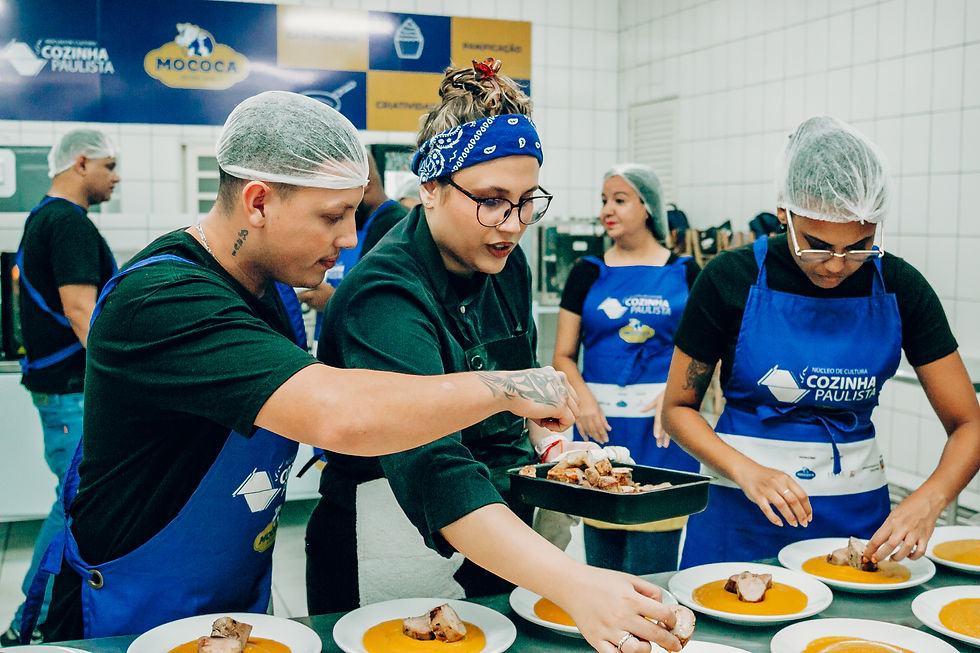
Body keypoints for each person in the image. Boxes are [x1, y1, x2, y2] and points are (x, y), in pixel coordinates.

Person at [27, 90, 577, 645]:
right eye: (333, 216)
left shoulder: (276, 294)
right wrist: (510, 387)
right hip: (129, 601)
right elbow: (344, 414)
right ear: (259, 202)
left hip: (233, 599)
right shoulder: (162, 300)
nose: (349, 239)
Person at [311, 60, 683, 653]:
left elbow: (522, 392)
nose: (512, 225)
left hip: (500, 535)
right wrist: (576, 585)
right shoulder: (384, 295)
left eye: (526, 201)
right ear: (429, 188)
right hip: (393, 538)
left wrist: (553, 445)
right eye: (490, 201)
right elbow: (433, 462)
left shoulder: (504, 264)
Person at [662, 116, 980, 568]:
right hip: (741, 517)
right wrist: (745, 470)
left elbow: (969, 424)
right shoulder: (729, 279)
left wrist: (930, 499)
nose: (835, 265)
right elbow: (677, 409)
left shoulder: (900, 286)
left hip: (858, 528)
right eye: (816, 244)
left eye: (859, 245)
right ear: (784, 213)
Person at [552, 164, 700, 575]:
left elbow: (709, 352)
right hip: (601, 430)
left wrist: (676, 398)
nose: (606, 211)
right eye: (603, 201)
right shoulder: (587, 272)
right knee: (602, 561)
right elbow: (562, 354)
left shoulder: (685, 272)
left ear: (648, 207)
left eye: (619, 200)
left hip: (663, 431)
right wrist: (582, 405)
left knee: (653, 566)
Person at [3, 129, 119, 647]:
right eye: (109, 166)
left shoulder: (39, 217)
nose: (116, 178)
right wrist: (124, 376)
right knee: (73, 503)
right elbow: (80, 310)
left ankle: (33, 617)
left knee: (70, 500)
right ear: (81, 162)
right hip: (74, 389)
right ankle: (33, 623)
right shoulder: (69, 223)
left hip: (57, 387)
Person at [296, 151, 408, 337]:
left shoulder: (398, 229)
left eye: (338, 211)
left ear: (365, 184)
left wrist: (334, 300)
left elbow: (395, 308)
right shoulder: (360, 222)